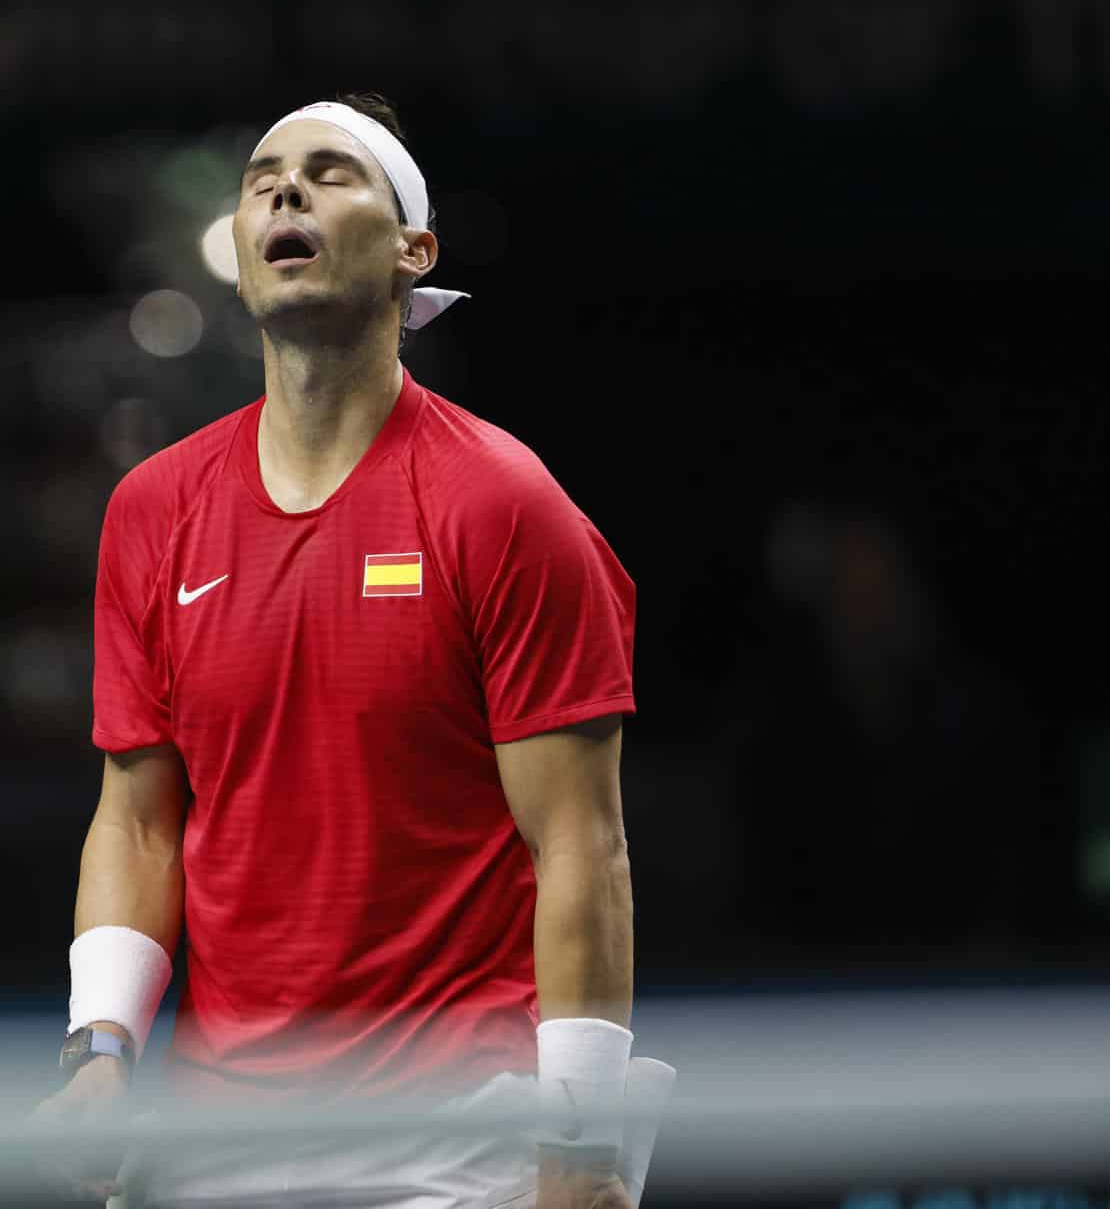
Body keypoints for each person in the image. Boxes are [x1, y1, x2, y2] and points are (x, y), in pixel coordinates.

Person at [36, 94, 661, 1208]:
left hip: (457, 1140)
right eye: (264, 176)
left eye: (331, 173)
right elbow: (137, 816)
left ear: (411, 252)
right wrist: (100, 1052)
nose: (284, 189)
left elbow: (580, 844)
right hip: (215, 1143)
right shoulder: (153, 509)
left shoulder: (502, 503)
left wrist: (581, 1140)